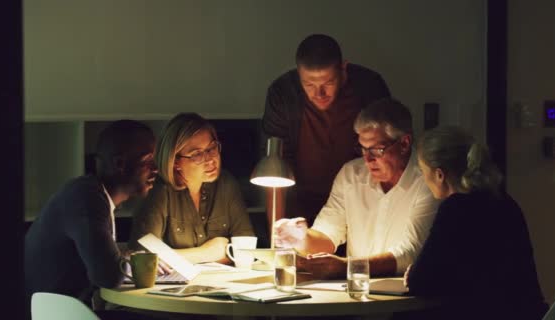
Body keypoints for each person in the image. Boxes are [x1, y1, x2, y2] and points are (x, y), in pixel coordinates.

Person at [273, 98, 439, 279]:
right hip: (357, 294)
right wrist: (301, 238)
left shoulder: (427, 179)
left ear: (404, 144)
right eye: (363, 149)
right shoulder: (351, 175)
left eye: (377, 150)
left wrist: (348, 266)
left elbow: (411, 253)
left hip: (406, 297)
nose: (367, 159)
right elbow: (328, 233)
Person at [405, 126, 548, 320]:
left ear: (440, 175)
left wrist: (414, 272)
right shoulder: (504, 201)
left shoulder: (455, 209)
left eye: (423, 171)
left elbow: (420, 281)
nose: (423, 178)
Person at [24, 120, 158, 317]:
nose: (155, 169)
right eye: (148, 161)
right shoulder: (87, 199)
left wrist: (123, 258)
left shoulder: (92, 194)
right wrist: (135, 264)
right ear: (120, 164)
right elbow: (108, 277)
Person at [262, 33, 391, 228]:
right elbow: (276, 165)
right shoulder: (282, 94)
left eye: (328, 83)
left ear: (343, 68)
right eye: (309, 85)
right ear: (298, 74)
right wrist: (276, 231)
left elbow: (385, 155)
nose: (319, 94)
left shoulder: (369, 87)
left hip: (359, 198)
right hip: (300, 200)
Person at [128, 113, 254, 264]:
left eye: (212, 148)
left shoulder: (226, 184)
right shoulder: (158, 190)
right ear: (175, 162)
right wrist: (207, 253)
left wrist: (173, 257)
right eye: (197, 154)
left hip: (221, 282)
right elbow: (143, 258)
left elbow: (245, 252)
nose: (210, 160)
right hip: (171, 286)